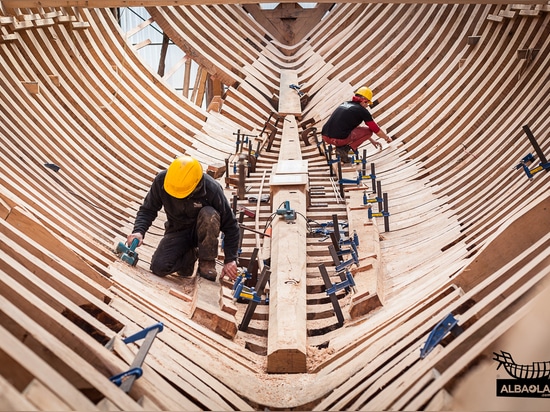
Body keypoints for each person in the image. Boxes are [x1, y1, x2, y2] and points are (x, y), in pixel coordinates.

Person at [126, 155, 240, 282]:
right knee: (159, 267)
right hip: (177, 230)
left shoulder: (211, 189)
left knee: (209, 214)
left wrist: (230, 260)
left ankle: (206, 261)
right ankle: (190, 256)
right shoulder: (162, 181)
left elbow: (231, 226)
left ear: (196, 186)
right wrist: (138, 231)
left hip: (204, 232)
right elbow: (148, 209)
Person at [321, 86, 393, 163]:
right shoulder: (362, 111)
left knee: (351, 130)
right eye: (367, 103)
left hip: (325, 136)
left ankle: (342, 148)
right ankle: (346, 149)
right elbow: (376, 130)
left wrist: (372, 140)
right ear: (364, 101)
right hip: (339, 140)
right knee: (369, 131)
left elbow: (354, 127)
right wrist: (387, 138)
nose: (367, 106)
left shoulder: (345, 103)